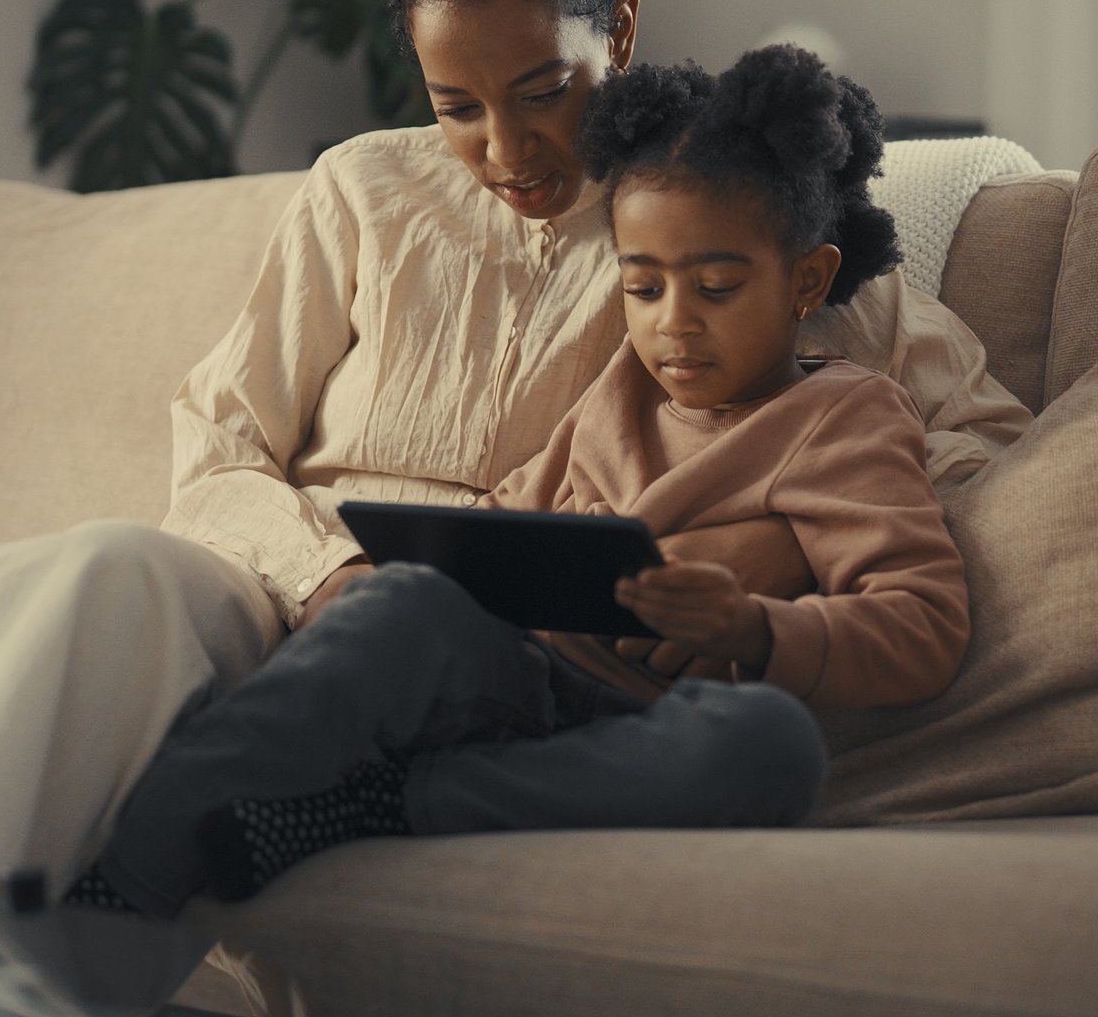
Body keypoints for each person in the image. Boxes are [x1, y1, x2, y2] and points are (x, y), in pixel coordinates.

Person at [0, 0, 1029, 903]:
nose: (505, 148)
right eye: (456, 106)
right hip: (299, 600)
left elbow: (968, 434)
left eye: (546, 87)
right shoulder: (358, 192)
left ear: (620, 27)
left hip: (547, 668)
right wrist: (329, 569)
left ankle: (184, 867)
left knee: (740, 739)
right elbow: (219, 446)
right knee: (86, 574)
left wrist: (768, 578)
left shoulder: (713, 217)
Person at [69, 47, 967, 914]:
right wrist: (426, 566)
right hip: (516, 673)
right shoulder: (619, 389)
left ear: (807, 280)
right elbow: (506, 517)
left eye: (718, 288)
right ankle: (130, 867)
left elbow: (923, 623)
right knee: (394, 608)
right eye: (643, 288)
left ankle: (395, 805)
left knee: (769, 750)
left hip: (647, 721)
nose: (674, 327)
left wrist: (757, 626)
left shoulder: (848, 418)